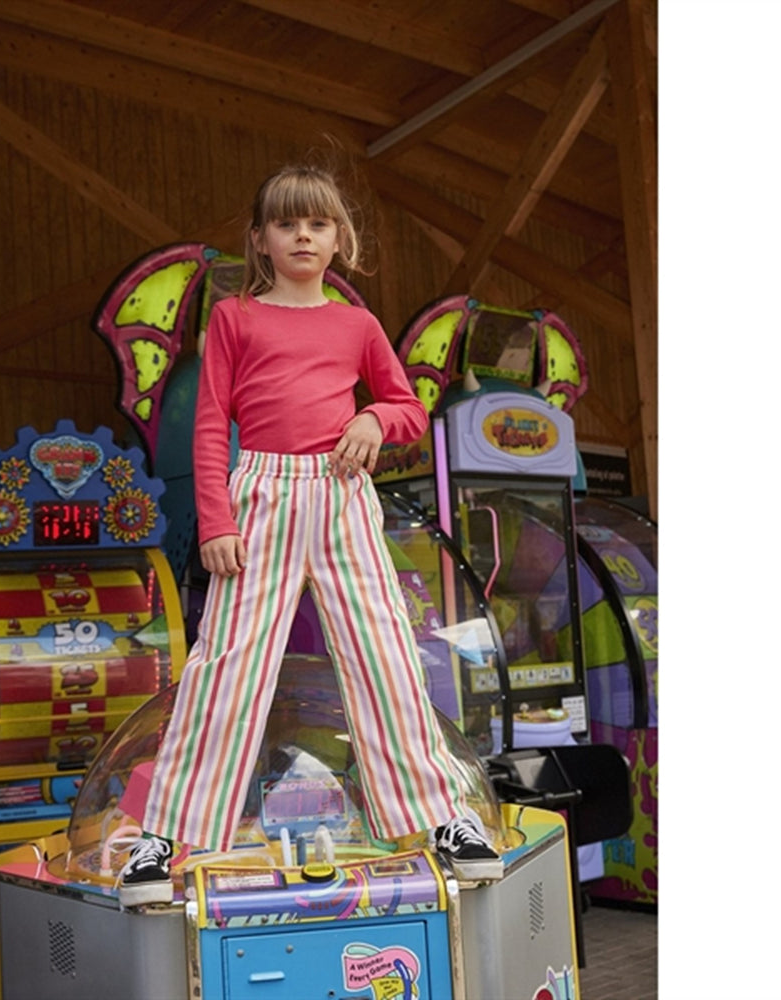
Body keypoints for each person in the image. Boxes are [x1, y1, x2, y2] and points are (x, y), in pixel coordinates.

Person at [117, 162, 498, 906]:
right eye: (286, 223)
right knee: (226, 661)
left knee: (385, 652)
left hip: (342, 493)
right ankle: (167, 833)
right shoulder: (234, 319)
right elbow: (209, 425)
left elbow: (407, 408)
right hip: (260, 493)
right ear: (260, 239)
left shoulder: (357, 324)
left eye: (317, 223)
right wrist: (216, 519)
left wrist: (372, 419)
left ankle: (440, 818)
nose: (302, 235)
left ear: (338, 237)